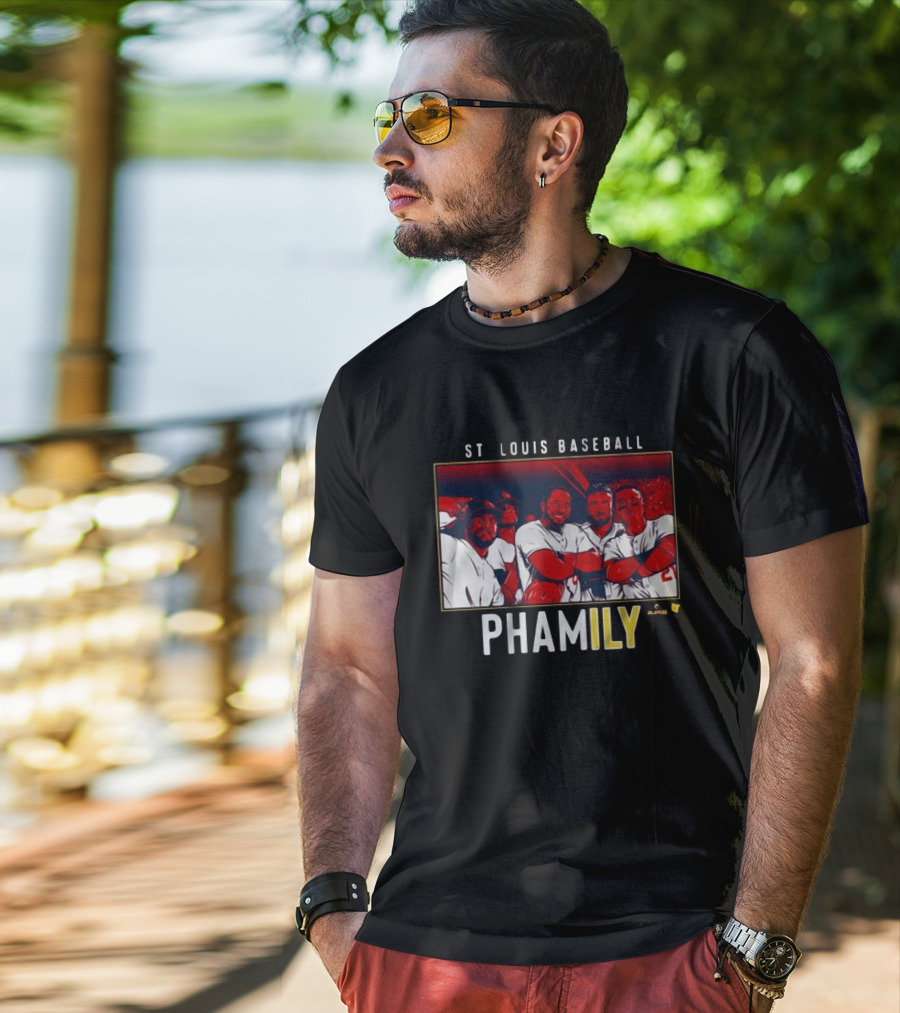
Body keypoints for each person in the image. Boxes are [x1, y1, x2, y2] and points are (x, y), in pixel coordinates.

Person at [296, 2, 868, 1011]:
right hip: (425, 953)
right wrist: (337, 908)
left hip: (667, 948)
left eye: (430, 117)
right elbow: (346, 663)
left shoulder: (737, 353)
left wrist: (756, 948)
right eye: (386, 117)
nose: (389, 147)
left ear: (553, 142)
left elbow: (814, 662)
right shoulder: (376, 390)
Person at [515, 484, 595, 604]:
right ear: (543, 506)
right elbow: (552, 569)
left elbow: (595, 561)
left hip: (575, 607)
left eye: (566, 505)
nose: (561, 509)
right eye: (555, 503)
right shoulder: (528, 530)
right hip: (543, 607)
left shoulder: (574, 530)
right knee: (546, 589)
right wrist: (580, 564)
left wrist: (560, 557)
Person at [603, 485, 677, 599]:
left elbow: (668, 553)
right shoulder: (612, 544)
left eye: (634, 503)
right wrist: (653, 552)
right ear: (616, 512)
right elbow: (612, 573)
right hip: (639, 610)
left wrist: (631, 576)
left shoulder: (664, 522)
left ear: (643, 505)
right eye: (622, 505)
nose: (629, 507)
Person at [440, 497, 504, 608]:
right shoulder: (451, 546)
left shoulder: (489, 572)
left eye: (492, 521)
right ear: (466, 525)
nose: (487, 525)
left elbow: (499, 607)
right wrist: (453, 511)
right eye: (480, 519)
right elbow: (424, 527)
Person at [576, 482, 623, 601]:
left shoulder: (625, 532)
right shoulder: (576, 533)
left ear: (612, 506)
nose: (599, 509)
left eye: (604, 503)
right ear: (587, 507)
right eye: (594, 503)